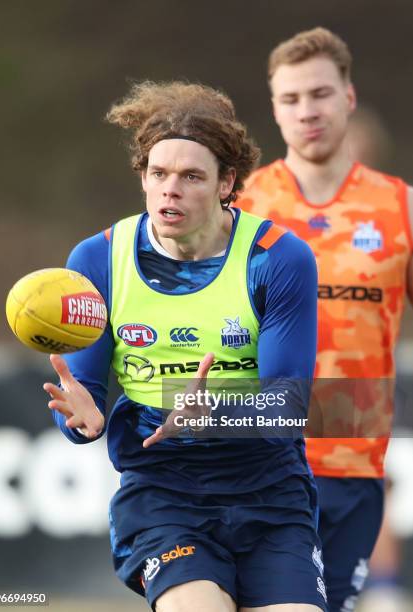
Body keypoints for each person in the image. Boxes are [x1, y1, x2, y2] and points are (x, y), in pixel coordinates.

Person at [43, 81, 327, 612]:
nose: (170, 189)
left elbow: (287, 409)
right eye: (158, 174)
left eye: (191, 176)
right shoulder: (98, 260)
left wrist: (212, 413)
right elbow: (83, 401)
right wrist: (84, 419)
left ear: (227, 183)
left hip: (270, 494)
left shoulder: (278, 258)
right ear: (144, 179)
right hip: (164, 494)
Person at [237, 28, 413, 612]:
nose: (307, 111)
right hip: (253, 458)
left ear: (349, 97)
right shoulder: (239, 208)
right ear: (274, 109)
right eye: (291, 99)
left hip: (352, 464)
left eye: (320, 94)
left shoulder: (400, 208)